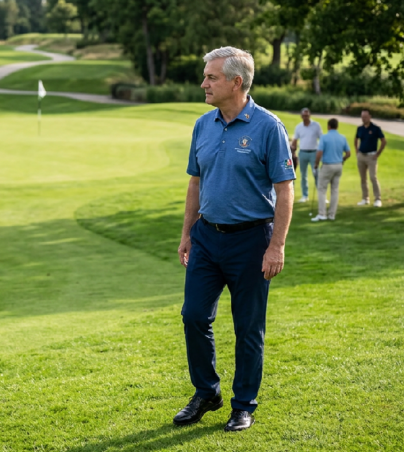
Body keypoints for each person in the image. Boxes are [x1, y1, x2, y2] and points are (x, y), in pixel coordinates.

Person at [174, 46, 295, 432]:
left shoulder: (268, 126)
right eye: (205, 76)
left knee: (247, 327)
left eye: (211, 77)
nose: (203, 83)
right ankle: (207, 392)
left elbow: (285, 190)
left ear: (236, 82)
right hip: (207, 238)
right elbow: (196, 182)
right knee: (193, 315)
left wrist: (275, 246)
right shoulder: (202, 125)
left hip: (251, 241)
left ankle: (244, 404)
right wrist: (187, 234)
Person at [311, 118, 351, 222]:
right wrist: (342, 159)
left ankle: (322, 214)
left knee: (322, 189)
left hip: (327, 166)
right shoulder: (342, 137)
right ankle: (332, 215)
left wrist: (316, 164)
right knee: (334, 190)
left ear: (329, 126)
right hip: (338, 166)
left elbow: (319, 152)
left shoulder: (324, 137)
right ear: (337, 126)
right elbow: (348, 153)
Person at [354, 110, 386, 207]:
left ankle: (377, 199)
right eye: (362, 117)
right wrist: (357, 151)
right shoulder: (360, 128)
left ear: (370, 117)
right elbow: (356, 139)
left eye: (365, 117)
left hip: (371, 156)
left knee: (373, 177)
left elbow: (383, 141)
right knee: (363, 178)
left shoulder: (376, 128)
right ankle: (365, 198)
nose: (364, 119)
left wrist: (378, 153)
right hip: (361, 156)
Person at [291, 108, 322, 203]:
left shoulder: (316, 125)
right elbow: (295, 140)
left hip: (314, 152)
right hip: (303, 153)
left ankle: (321, 196)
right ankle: (305, 195)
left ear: (310, 115)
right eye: (304, 116)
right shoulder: (299, 127)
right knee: (303, 175)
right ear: (301, 116)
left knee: (316, 174)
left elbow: (322, 139)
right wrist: (293, 150)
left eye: (307, 115)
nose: (305, 117)